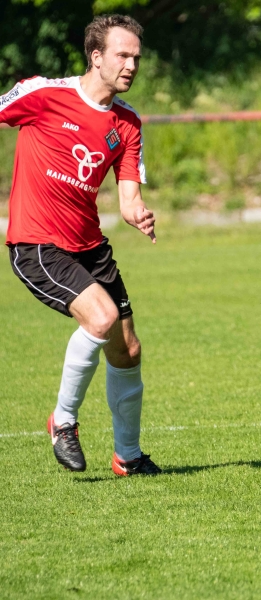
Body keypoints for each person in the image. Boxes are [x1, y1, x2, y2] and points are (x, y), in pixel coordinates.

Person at [0, 15, 161, 476]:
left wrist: (137, 212)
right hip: (37, 243)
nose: (131, 66)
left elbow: (129, 197)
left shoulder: (127, 123)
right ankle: (63, 421)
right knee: (101, 317)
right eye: (122, 55)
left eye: (136, 58)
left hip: (90, 247)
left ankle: (128, 456)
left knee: (127, 350)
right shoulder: (41, 94)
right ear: (96, 56)